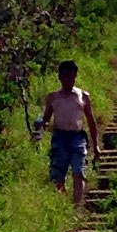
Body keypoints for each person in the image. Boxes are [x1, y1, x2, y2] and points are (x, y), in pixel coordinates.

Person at [40, 59, 101, 209]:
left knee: (78, 171)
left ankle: (76, 206)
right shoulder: (53, 98)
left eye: (73, 77)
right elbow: (46, 119)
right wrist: (40, 124)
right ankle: (61, 205)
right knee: (58, 174)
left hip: (77, 137)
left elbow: (91, 121)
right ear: (60, 77)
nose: (70, 80)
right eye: (66, 76)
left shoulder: (83, 96)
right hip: (60, 138)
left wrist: (96, 145)